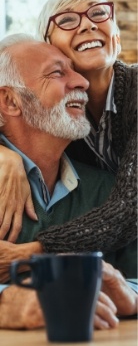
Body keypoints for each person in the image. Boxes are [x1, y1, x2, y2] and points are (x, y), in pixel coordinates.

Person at [0, 34, 137, 329]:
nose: (83, 82)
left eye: (74, 71)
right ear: (10, 100)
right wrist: (4, 303)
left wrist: (128, 293)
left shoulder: (108, 190)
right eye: (57, 72)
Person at [0, 0, 136, 251]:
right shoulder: (55, 115)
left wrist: (37, 252)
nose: (88, 25)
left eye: (98, 13)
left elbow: (130, 206)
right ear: (49, 46)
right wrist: (5, 156)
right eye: (67, 20)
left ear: (116, 39)